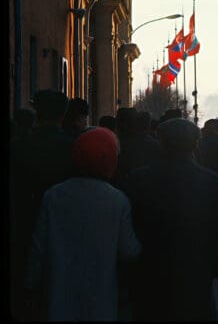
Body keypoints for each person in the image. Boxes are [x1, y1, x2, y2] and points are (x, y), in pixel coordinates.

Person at [124, 118, 218, 320]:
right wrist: (214, 269)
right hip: (195, 278)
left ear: (160, 143)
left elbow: (129, 233)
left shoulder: (138, 181)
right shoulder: (211, 183)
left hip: (150, 278)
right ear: (196, 144)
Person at [24, 127, 141, 320]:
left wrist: (30, 285)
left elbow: (38, 247)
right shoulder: (117, 200)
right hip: (101, 298)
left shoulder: (54, 195)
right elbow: (129, 250)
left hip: (58, 296)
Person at [10, 90, 76, 320]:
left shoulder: (18, 146)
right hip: (63, 232)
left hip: (24, 226)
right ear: (63, 114)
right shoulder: (72, 148)